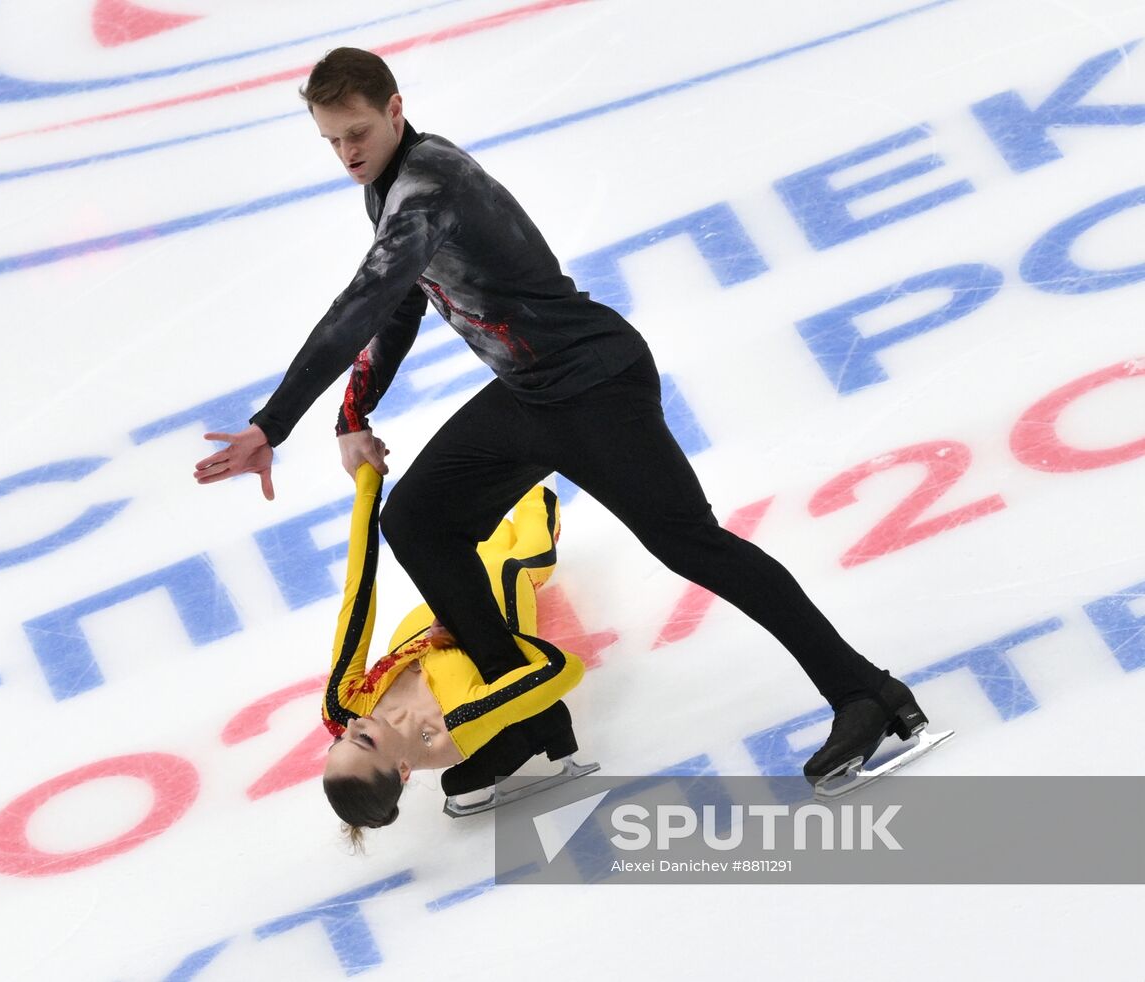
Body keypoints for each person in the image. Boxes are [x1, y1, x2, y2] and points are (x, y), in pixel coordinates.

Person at [193, 47, 938, 791]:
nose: (346, 153)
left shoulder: (427, 186)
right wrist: (353, 412)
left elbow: (362, 302)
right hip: (529, 394)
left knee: (692, 545)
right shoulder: (387, 186)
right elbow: (403, 300)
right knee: (419, 521)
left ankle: (866, 695)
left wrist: (274, 424)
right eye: (331, 141)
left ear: (393, 109)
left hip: (595, 386)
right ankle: (523, 717)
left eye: (356, 132)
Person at [322, 463, 582, 847]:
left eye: (340, 740)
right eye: (365, 741)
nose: (353, 725)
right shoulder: (457, 726)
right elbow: (562, 669)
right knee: (528, 547)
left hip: (441, 577)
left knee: (474, 523)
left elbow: (357, 591)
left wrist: (367, 481)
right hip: (496, 595)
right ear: (404, 769)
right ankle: (542, 460)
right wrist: (481, 635)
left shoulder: (343, 706)